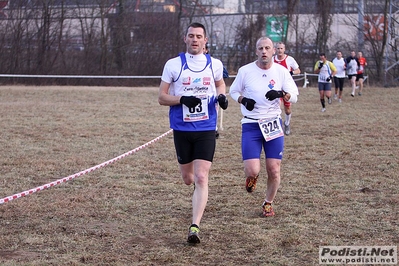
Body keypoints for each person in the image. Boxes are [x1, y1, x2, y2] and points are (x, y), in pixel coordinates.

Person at [158, 22, 228, 244]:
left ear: (205, 40)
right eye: (191, 36)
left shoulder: (214, 64)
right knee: (188, 179)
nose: (195, 39)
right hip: (181, 128)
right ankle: (195, 192)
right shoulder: (173, 64)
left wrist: (221, 97)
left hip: (206, 128)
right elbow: (161, 97)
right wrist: (181, 99)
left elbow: (220, 85)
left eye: (199, 36)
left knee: (201, 176)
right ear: (185, 39)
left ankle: (194, 227)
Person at [229, 37, 299, 217]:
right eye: (260, 48)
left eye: (267, 48)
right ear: (256, 51)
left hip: (273, 123)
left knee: (274, 169)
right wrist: (243, 100)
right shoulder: (245, 71)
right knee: (252, 169)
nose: (264, 51)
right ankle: (252, 178)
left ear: (274, 50)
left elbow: (295, 95)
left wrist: (282, 94)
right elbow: (233, 91)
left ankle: (268, 203)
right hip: (251, 124)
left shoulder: (282, 71)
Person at [273, 42, 300, 135]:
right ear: (275, 49)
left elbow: (298, 70)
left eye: (281, 48)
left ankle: (287, 123)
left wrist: (291, 73)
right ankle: (277, 126)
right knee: (276, 107)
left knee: (287, 109)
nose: (279, 50)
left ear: (284, 49)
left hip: (286, 87)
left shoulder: (290, 59)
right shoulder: (272, 59)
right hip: (276, 86)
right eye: (278, 48)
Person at [204, 43, 229, 139]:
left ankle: (214, 129)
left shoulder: (214, 63)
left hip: (212, 95)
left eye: (203, 48)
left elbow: (225, 74)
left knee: (213, 111)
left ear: (206, 50)